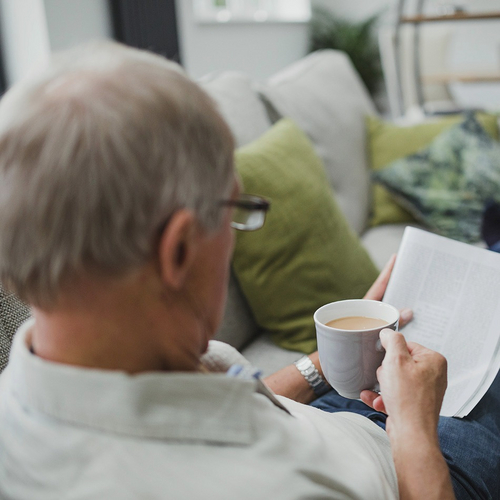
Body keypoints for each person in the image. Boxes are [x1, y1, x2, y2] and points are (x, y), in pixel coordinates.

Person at [0, 41, 498, 500]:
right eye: (235, 208)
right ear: (178, 251)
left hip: (330, 418)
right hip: (426, 460)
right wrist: (414, 427)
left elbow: (216, 415)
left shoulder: (57, 370)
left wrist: (334, 358)